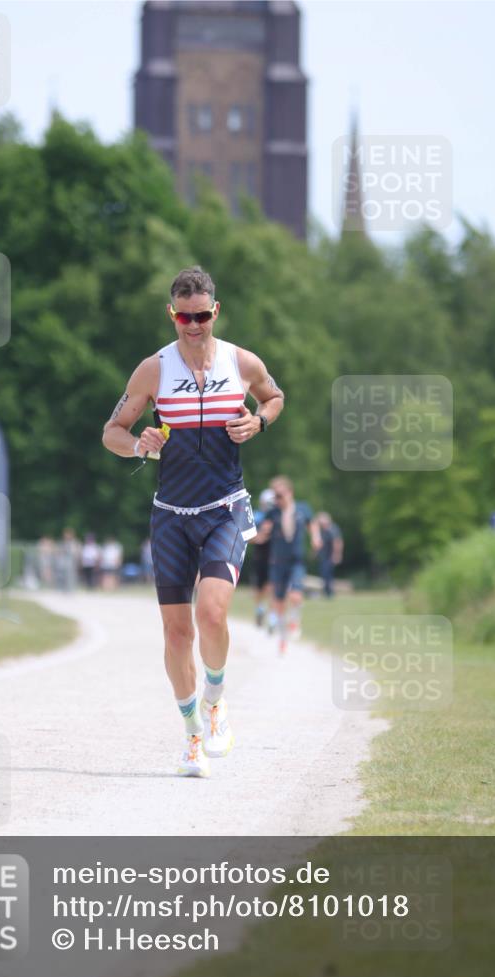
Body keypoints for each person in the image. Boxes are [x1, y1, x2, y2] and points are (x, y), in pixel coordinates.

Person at [102, 266, 284, 777]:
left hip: (225, 508)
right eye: (184, 316)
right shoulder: (152, 371)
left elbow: (274, 395)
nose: (194, 325)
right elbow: (112, 431)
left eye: (202, 315)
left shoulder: (241, 362)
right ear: (172, 314)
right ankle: (191, 737)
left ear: (215, 312)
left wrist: (260, 420)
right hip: (171, 517)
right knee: (176, 634)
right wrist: (138, 443)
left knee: (212, 614)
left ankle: (217, 698)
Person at [260, 475, 320, 655]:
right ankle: (282, 639)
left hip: (296, 561)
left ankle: (294, 620)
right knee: (278, 603)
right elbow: (265, 529)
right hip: (277, 562)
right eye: (275, 496)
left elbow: (313, 524)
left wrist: (316, 538)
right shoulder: (273, 513)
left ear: (290, 492)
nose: (277, 499)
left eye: (280, 495)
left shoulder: (302, 509)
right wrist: (261, 533)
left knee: (295, 595)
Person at [249, 487, 275, 627]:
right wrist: (260, 537)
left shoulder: (277, 517)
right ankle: (260, 609)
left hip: (273, 557)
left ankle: (272, 617)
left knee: (271, 587)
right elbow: (248, 536)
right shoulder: (257, 516)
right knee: (258, 589)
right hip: (259, 556)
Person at [314, 512, 344, 598]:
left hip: (330, 556)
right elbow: (319, 543)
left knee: (328, 574)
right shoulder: (322, 530)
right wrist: (315, 553)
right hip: (323, 556)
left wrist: (337, 555)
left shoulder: (333, 529)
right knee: (324, 574)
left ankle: (330, 593)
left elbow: (337, 542)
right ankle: (327, 592)